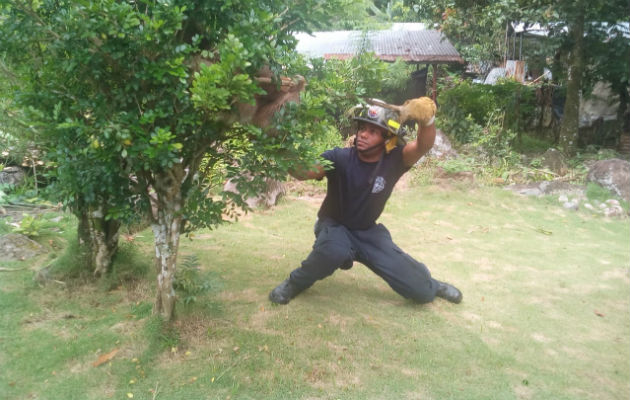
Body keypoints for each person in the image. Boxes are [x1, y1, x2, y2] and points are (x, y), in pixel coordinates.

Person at [269, 99, 462, 305]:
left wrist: (428, 120)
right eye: (362, 129)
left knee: (422, 293)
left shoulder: (395, 160)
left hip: (367, 232)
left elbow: (423, 146)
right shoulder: (339, 158)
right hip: (334, 226)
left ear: (388, 138)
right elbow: (303, 172)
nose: (362, 134)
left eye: (372, 131)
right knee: (333, 250)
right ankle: (294, 284)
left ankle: (431, 284)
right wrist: (278, 144)